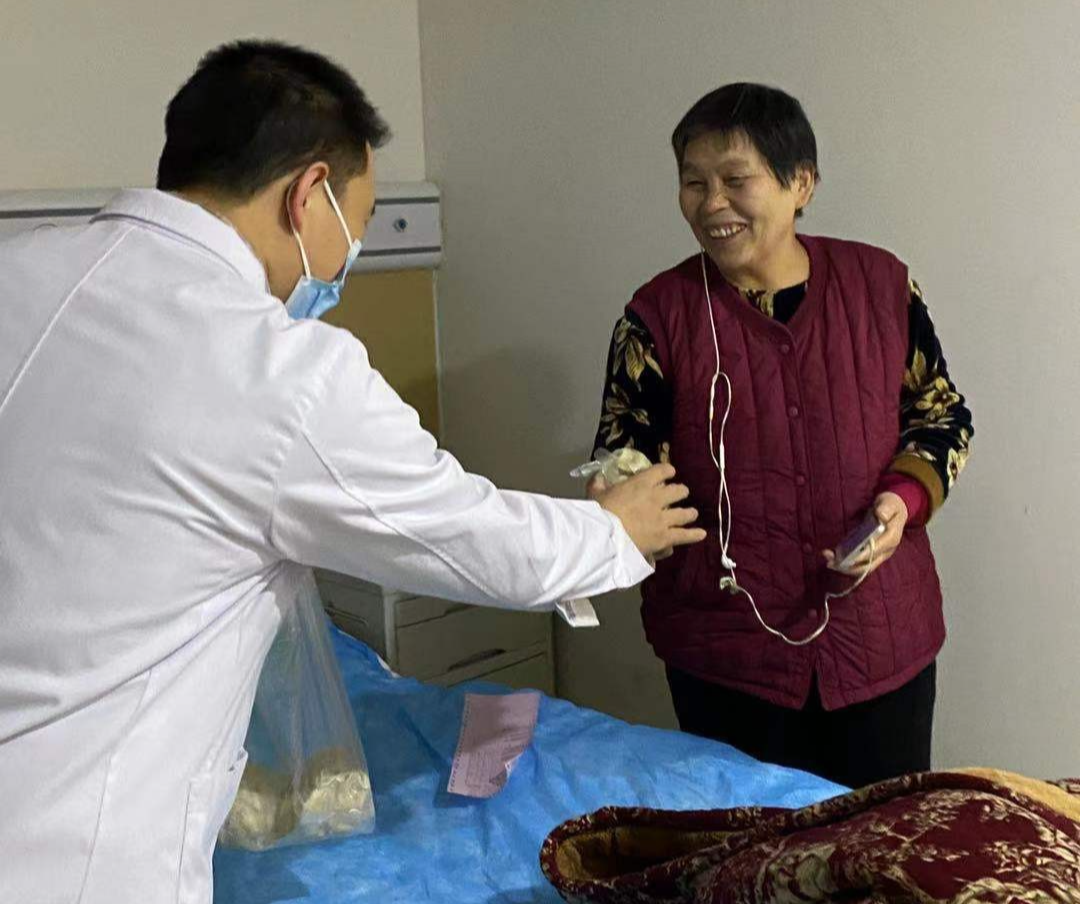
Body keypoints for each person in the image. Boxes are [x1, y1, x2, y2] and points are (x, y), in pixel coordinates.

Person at [0, 41, 705, 904]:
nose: (347, 258)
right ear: (308, 195)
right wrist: (614, 531)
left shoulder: (18, 271)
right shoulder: (275, 370)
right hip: (73, 858)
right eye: (358, 223)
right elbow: (468, 534)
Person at [588, 83, 973, 790]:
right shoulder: (657, 317)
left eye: (736, 180)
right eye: (694, 183)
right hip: (727, 657)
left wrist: (901, 504)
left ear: (801, 184)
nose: (712, 204)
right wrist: (619, 494)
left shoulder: (883, 288)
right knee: (750, 843)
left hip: (880, 644)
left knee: (878, 842)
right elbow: (625, 451)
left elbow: (941, 416)